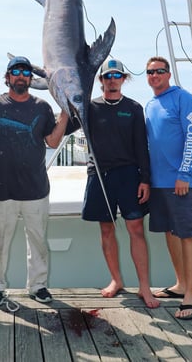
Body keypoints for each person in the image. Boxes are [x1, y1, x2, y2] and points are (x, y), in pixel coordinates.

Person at [0, 56, 69, 306]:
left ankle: (38, 286)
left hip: (36, 189)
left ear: (31, 79)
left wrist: (64, 114)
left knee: (38, 243)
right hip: (3, 189)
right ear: (7, 77)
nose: (21, 75)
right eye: (16, 71)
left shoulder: (42, 107)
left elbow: (52, 142)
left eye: (26, 72)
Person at [82, 58, 159, 309]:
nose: (112, 80)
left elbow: (141, 146)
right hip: (100, 175)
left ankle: (144, 287)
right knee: (106, 229)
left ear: (124, 79)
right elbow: (67, 120)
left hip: (129, 174)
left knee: (136, 228)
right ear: (101, 80)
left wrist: (145, 179)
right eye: (107, 76)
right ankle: (116, 280)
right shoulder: (89, 107)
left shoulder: (134, 108)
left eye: (117, 76)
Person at [145, 56, 192, 320]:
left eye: (159, 71)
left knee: (186, 235)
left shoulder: (182, 98)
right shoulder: (150, 104)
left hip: (181, 182)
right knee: (170, 233)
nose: (154, 75)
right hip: (158, 184)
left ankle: (191, 295)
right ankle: (180, 284)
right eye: (150, 72)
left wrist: (184, 173)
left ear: (168, 74)